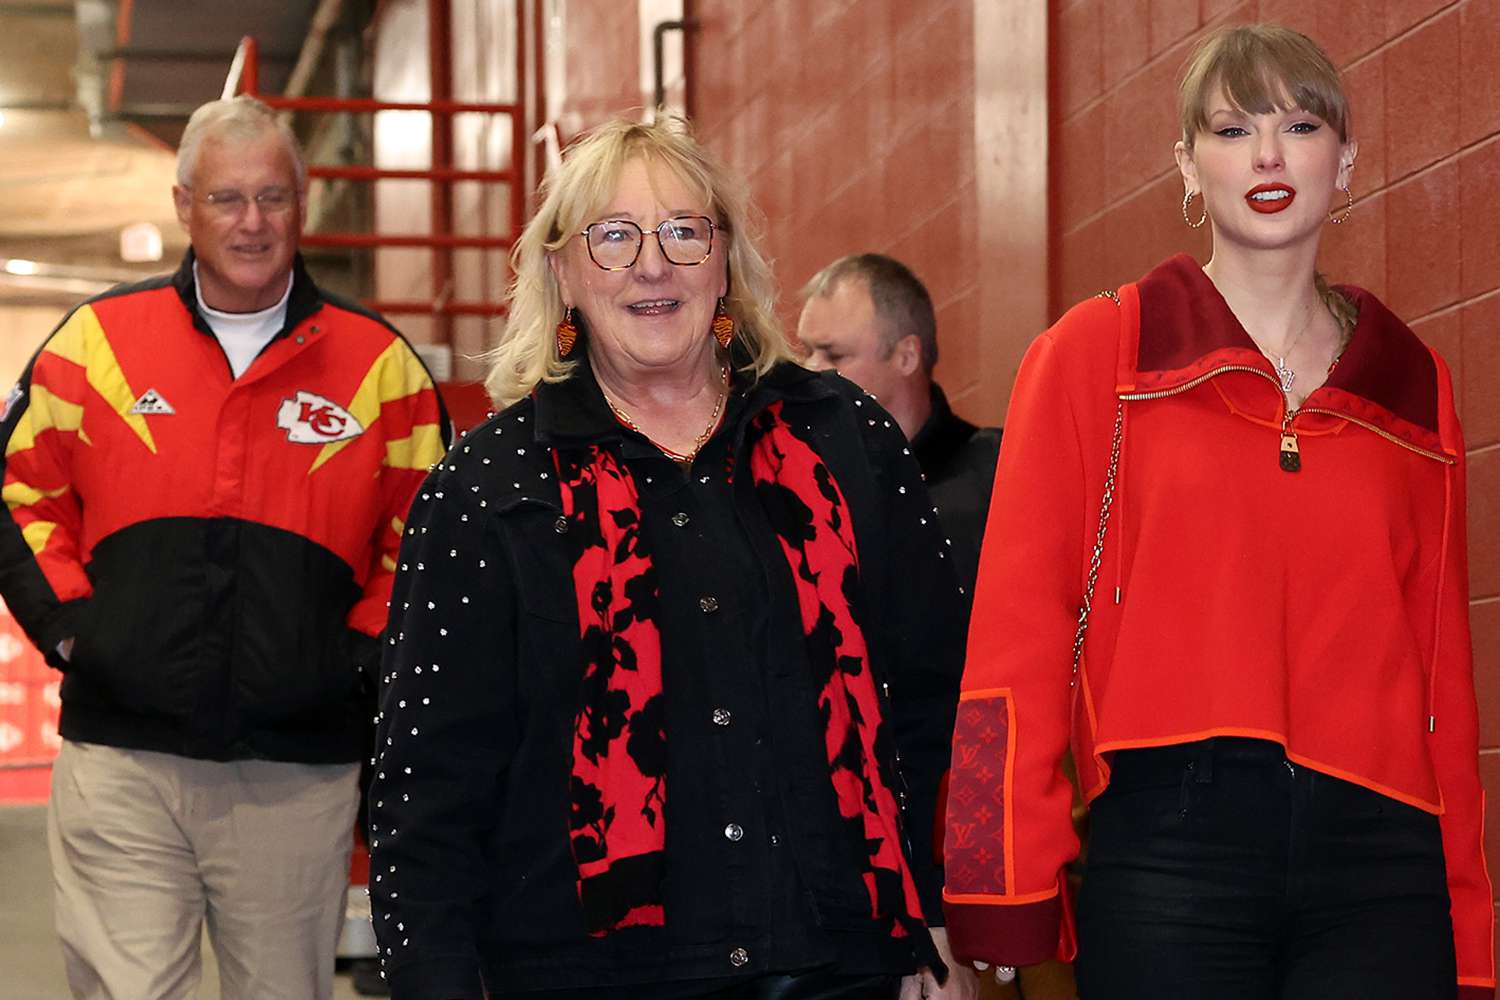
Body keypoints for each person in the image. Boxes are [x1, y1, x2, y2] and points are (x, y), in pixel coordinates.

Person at [368, 116, 977, 1000]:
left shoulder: (846, 439)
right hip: (585, 976)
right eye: (613, 237)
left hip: (842, 960)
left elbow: (933, 703)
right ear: (561, 272)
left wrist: (940, 919)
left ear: (724, 261)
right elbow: (425, 793)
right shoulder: (486, 488)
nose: (652, 265)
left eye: (684, 232)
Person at [943, 23, 1492, 1000]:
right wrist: (998, 879)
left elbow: (1442, 675)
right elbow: (1013, 639)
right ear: (1188, 169)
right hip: (1167, 856)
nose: (1270, 154)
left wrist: (1473, 930)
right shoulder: (1097, 354)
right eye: (1233, 130)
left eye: (1301, 123)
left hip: (1384, 867)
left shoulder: (1414, 385)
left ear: (1347, 161)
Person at [0, 95, 449, 1000]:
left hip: (296, 774)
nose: (252, 223)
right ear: (183, 206)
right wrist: (76, 630)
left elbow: (427, 544)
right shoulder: (95, 345)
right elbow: (19, 493)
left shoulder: (380, 369)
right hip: (124, 765)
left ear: (304, 201)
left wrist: (354, 661)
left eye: (273, 198)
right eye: (227, 199)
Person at [797, 255, 1001, 597]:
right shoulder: (800, 489)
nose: (810, 370)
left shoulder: (996, 475)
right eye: (807, 351)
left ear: (906, 356)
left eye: (835, 355)